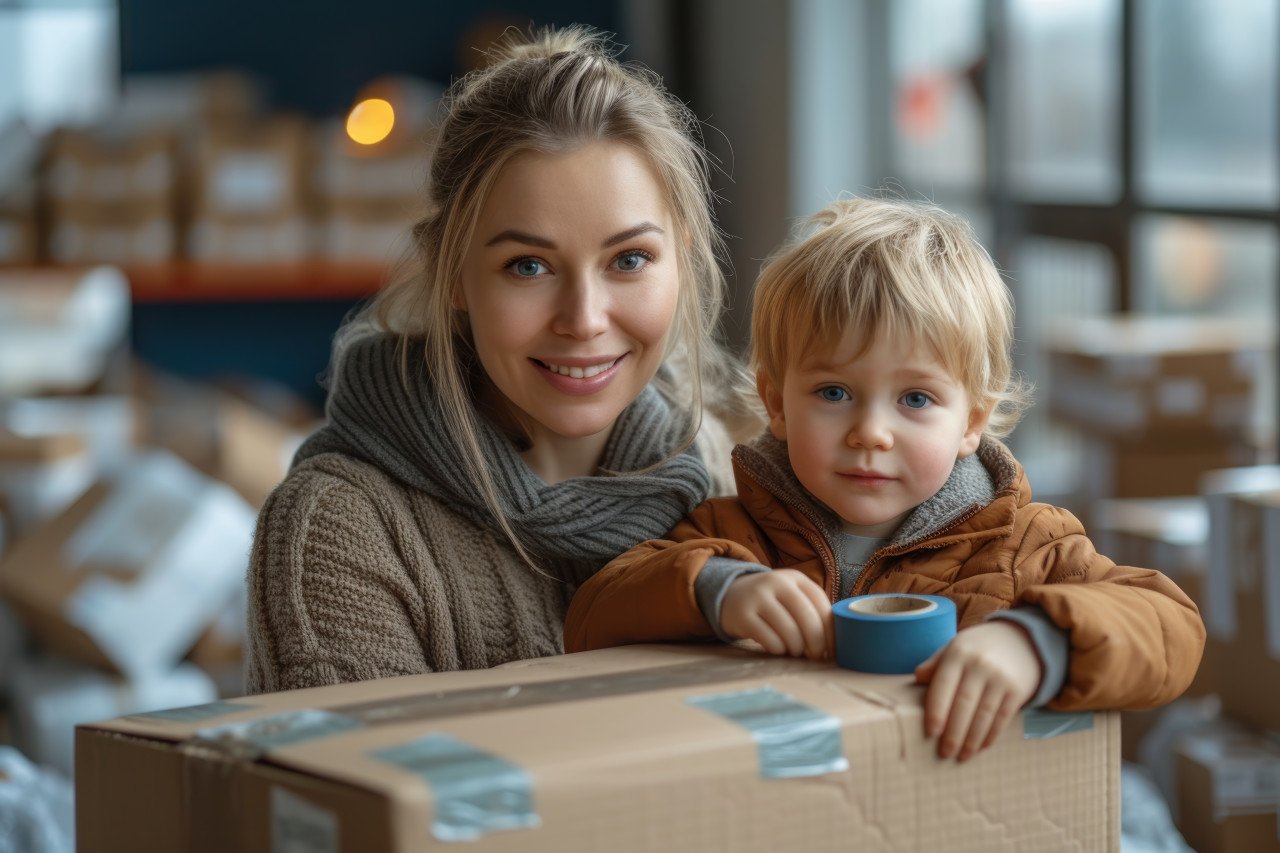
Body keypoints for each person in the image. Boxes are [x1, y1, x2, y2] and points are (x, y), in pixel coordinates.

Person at [563, 197, 1205, 762]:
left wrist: (1038, 643)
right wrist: (717, 590)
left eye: (916, 400)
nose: (871, 432)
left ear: (971, 421)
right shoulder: (732, 530)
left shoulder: (1026, 545)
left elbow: (1172, 625)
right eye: (835, 391)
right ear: (778, 403)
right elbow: (591, 614)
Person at [246, 26, 759, 693]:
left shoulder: (716, 464)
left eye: (629, 260)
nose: (583, 318)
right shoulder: (341, 525)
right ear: (455, 275)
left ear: (680, 260)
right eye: (528, 265)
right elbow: (374, 791)